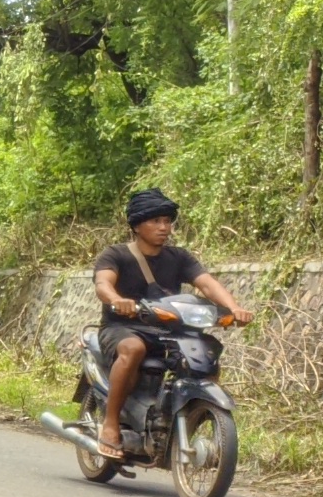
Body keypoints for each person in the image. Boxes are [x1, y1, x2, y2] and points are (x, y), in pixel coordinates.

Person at [92, 188, 250, 459]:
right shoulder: (116, 254)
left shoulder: (179, 257)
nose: (164, 227)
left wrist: (234, 308)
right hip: (122, 328)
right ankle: (111, 423)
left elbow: (207, 284)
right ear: (137, 225)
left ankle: (180, 423)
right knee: (133, 348)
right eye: (156, 221)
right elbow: (103, 283)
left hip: (167, 329)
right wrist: (117, 300)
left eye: (167, 221)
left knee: (205, 357)